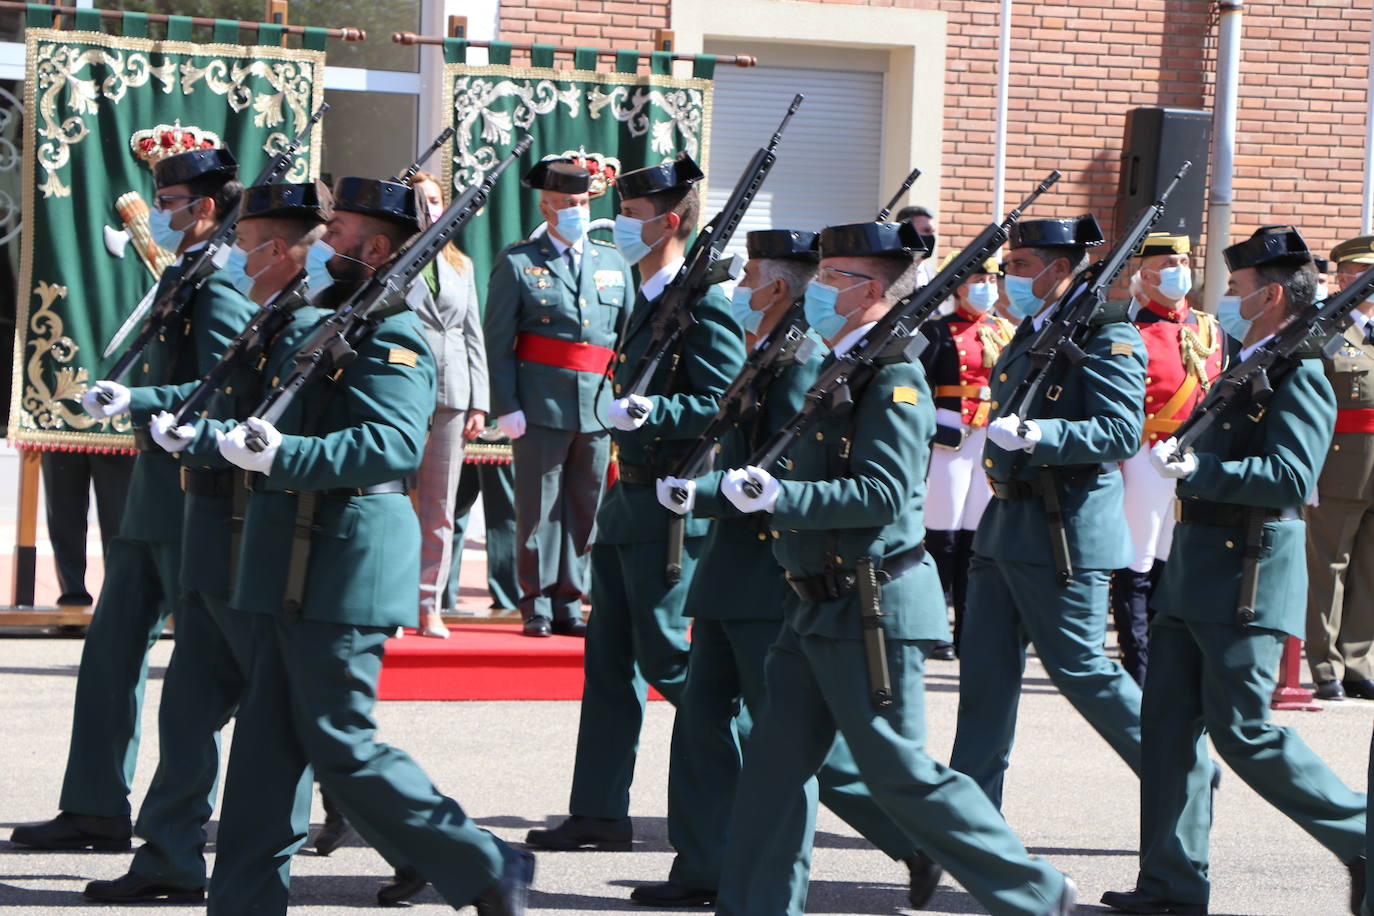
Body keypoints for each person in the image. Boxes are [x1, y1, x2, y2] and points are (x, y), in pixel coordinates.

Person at [166, 173, 534, 914]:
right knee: (265, 760)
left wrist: (280, 455)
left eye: (334, 233)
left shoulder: (395, 331)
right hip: (282, 561)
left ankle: (488, 862)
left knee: (342, 743)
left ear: (371, 247)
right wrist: (211, 438)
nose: (321, 241)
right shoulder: (318, 318)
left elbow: (391, 445)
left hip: (344, 562)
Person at [707, 220, 1077, 916]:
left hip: (871, 605)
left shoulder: (895, 378)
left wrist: (782, 495)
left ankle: (1036, 891)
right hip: (811, 602)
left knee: (896, 772)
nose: (814, 287)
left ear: (869, 289)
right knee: (774, 770)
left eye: (829, 277)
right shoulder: (834, 366)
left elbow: (881, 495)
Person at [646, 229, 933, 909]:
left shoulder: (811, 363)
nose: (739, 290)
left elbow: (782, 474)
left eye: (747, 277)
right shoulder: (769, 351)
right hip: (731, 565)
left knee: (794, 742)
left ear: (777, 286)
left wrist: (709, 494)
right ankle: (704, 867)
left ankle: (914, 839)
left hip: (773, 565)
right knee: (706, 719)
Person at [1103, 224, 1367, 916]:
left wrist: (1201, 469)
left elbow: (1288, 477)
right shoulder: (1249, 356)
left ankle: (1364, 836)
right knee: (1167, 733)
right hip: (1195, 567)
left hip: (1247, 572)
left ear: (1271, 294)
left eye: (1239, 287)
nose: (1226, 297)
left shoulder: (1300, 371)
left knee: (1245, 731)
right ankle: (1169, 885)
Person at [81, 180, 332, 904]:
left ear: (277, 248)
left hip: (256, 537)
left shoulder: (307, 326)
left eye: (248, 244)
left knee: (304, 722)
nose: (236, 255)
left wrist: (208, 432)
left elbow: (281, 427)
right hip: (208, 526)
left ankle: (403, 837)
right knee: (188, 707)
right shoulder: (259, 312)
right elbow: (217, 395)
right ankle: (169, 856)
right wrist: (172, 415)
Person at [11, 147, 251, 854]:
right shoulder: (186, 272)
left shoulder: (220, 286)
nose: (160, 213)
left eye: (171, 202)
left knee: (227, 666)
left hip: (190, 498)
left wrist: (139, 398)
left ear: (205, 207)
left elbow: (221, 389)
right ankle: (94, 805)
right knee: (110, 654)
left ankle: (329, 790)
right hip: (151, 493)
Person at [525, 154, 745, 852]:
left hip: (669, 508)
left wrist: (650, 412)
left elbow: (722, 403)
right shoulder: (642, 294)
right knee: (607, 665)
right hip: (630, 499)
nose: (618, 224)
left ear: (670, 222)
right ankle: (598, 810)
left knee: (673, 666)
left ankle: (763, 787)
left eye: (631, 215)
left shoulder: (704, 302)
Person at [949, 214, 1149, 812]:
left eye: (1020, 267)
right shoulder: (1030, 329)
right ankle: (968, 824)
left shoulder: (1107, 334)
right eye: (1007, 265)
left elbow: (1119, 431)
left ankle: (1177, 765)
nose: (1006, 277)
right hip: (1004, 525)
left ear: (1062, 269)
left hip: (1063, 528)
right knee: (982, 683)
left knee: (1082, 670)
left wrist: (1041, 433)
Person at [484, 158, 630, 637]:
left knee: (586, 505)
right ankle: (537, 601)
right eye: (567, 204)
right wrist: (505, 404)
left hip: (596, 405)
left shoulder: (612, 261)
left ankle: (571, 598)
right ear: (546, 207)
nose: (577, 211)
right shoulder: (518, 261)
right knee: (538, 507)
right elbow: (498, 340)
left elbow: (626, 339)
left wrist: (625, 400)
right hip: (539, 404)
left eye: (583, 203)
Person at [1111, 233, 1223, 684]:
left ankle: (1169, 652)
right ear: (1147, 273)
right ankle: (1137, 660)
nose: (1182, 268)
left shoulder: (1210, 329)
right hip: (1144, 455)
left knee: (1174, 559)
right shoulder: (1127, 329)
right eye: (1170, 262)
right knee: (1137, 560)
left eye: (1184, 259)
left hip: (1194, 456)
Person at [917, 254, 1013, 659]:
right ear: (959, 287)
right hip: (949, 438)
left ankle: (968, 628)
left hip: (989, 437)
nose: (987, 288)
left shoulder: (1007, 330)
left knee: (976, 538)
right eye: (979, 280)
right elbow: (919, 384)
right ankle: (934, 626)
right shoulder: (938, 330)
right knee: (942, 535)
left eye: (992, 281)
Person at [410, 169, 489, 639]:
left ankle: (428, 603)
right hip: (401, 389)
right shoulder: (390, 258)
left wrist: (479, 400)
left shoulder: (462, 264)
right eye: (419, 200)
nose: (429, 209)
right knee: (397, 500)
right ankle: (396, 598)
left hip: (452, 394)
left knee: (439, 506)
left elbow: (472, 333)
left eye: (436, 200)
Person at [1305, 235, 1374, 702]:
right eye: (1364, 275)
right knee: (1329, 566)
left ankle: (1357, 661)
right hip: (1339, 465)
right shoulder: (1324, 330)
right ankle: (1325, 665)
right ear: (1345, 278)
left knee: (1370, 568)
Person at [40, 450, 133, 611]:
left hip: (117, 433)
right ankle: (73, 596)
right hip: (61, 432)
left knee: (119, 521)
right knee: (63, 515)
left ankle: (118, 598)